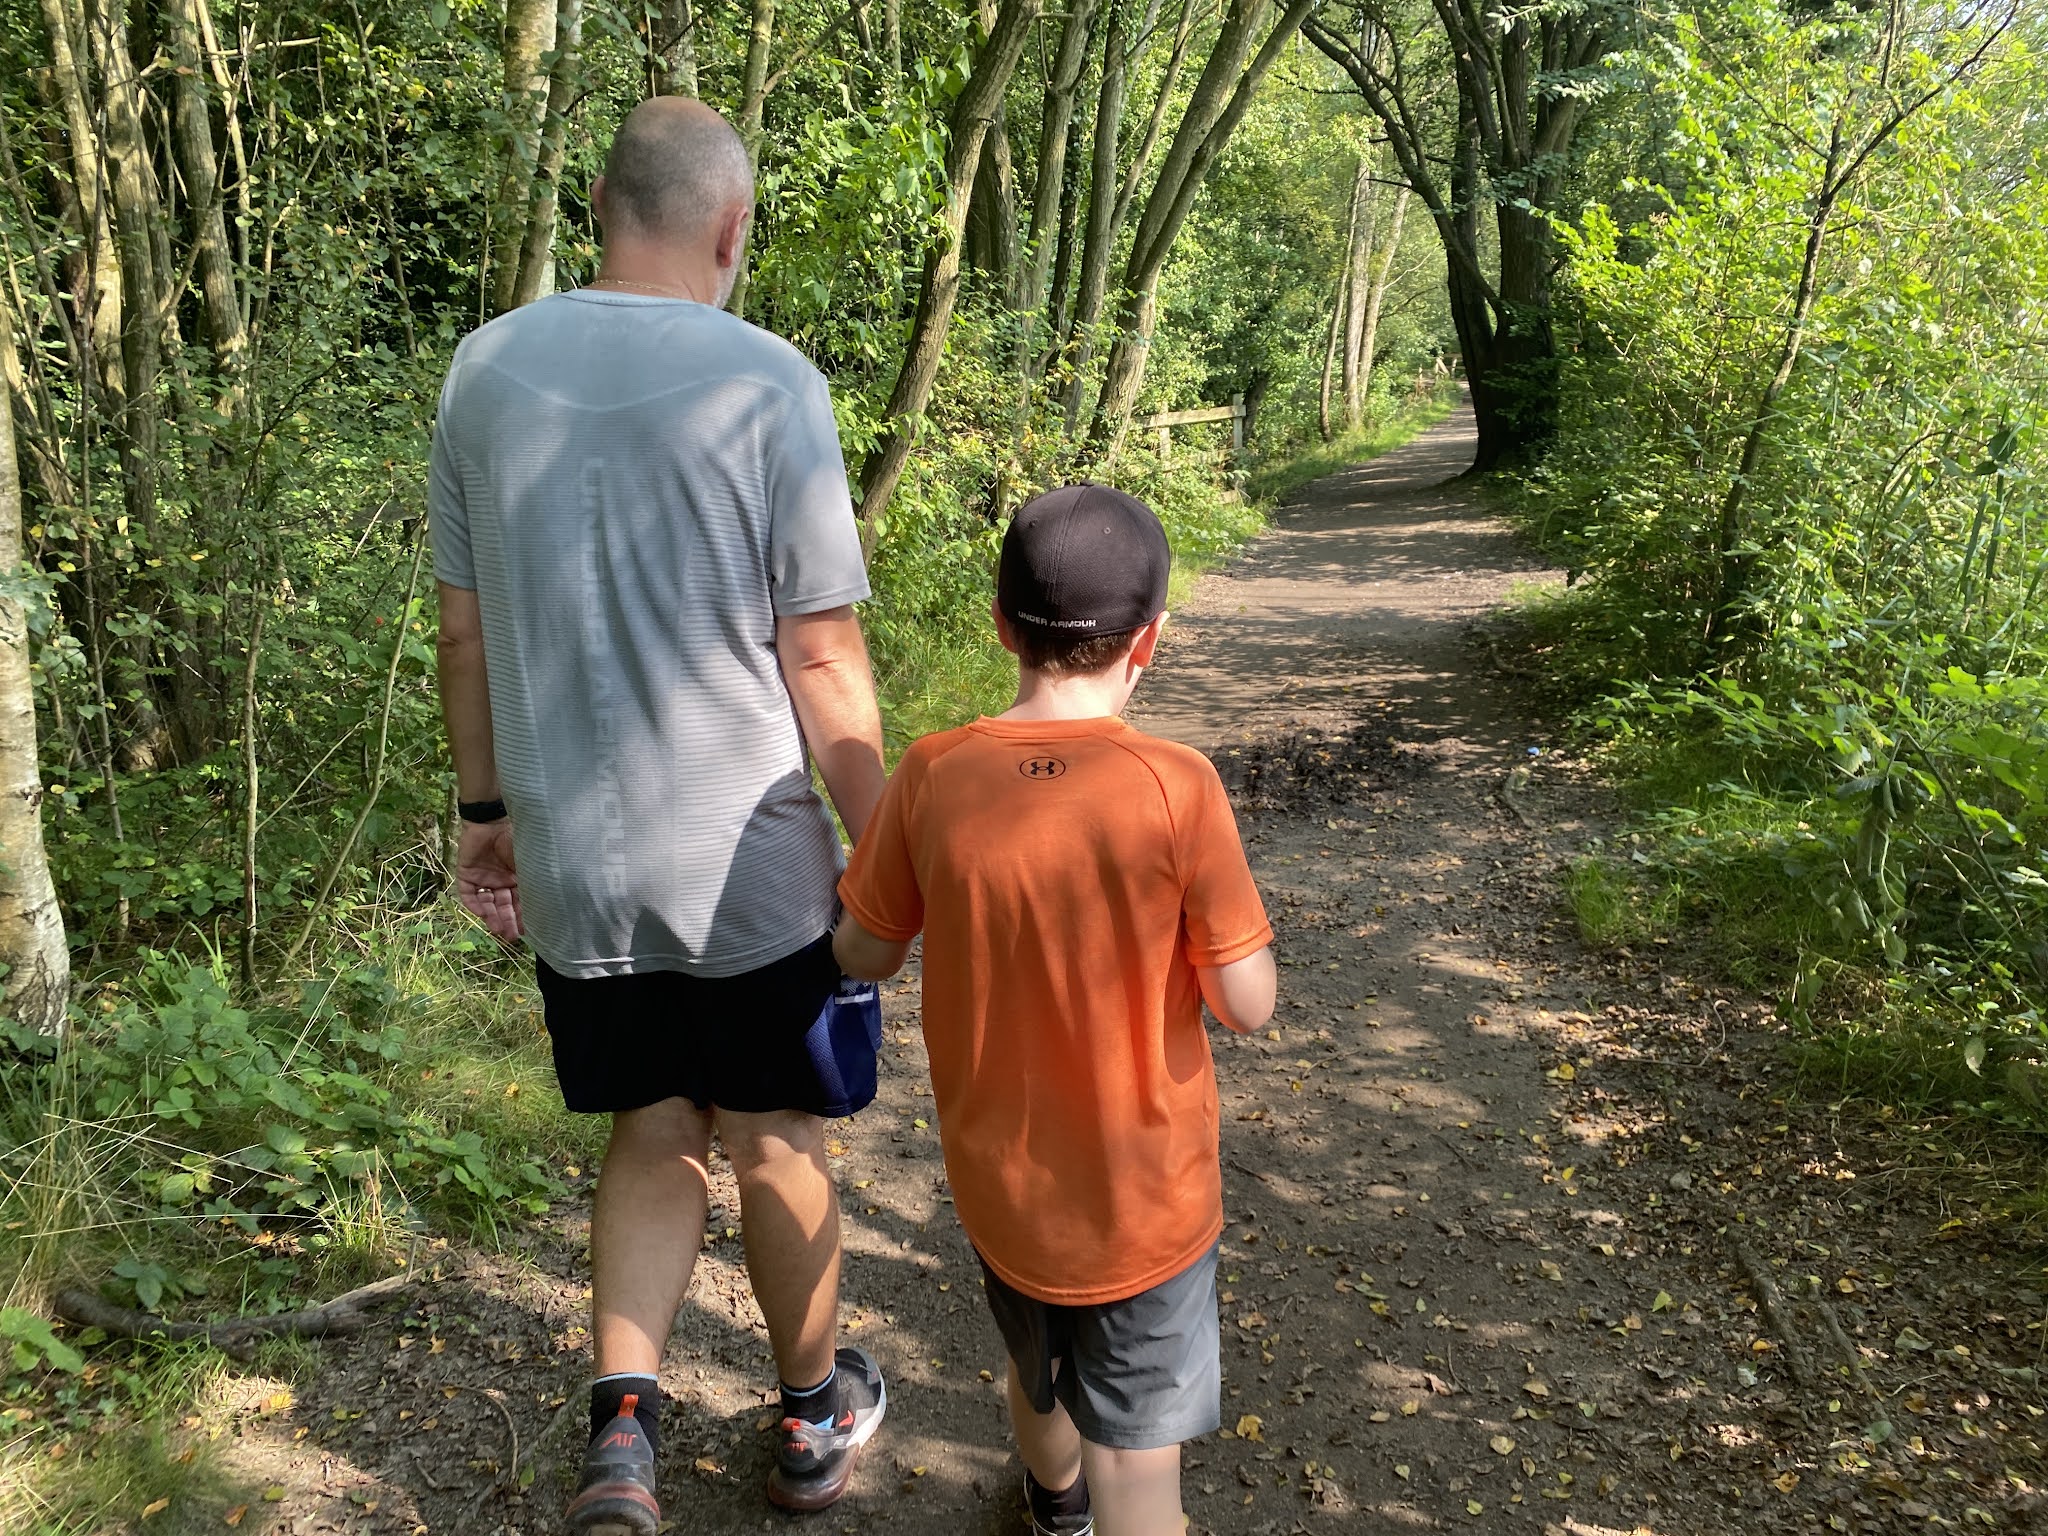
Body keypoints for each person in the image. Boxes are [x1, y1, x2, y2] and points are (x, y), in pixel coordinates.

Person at [428, 97, 889, 1534]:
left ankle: (621, 1436)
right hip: (746, 854)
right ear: (731, 225)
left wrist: (484, 813)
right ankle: (810, 1422)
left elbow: (460, 633)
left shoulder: (482, 373)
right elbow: (820, 655)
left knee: (648, 1122)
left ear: (600, 207)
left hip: (579, 850)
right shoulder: (769, 382)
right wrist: (890, 834)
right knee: (774, 1134)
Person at [832, 485, 1278, 1536]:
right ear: (1148, 643)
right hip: (1146, 1204)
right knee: (1144, 1473)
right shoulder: (1177, 785)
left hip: (1004, 1193)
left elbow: (865, 951)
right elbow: (1246, 1004)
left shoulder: (934, 773)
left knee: (1034, 1378)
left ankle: (1051, 1507)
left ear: (1001, 627)